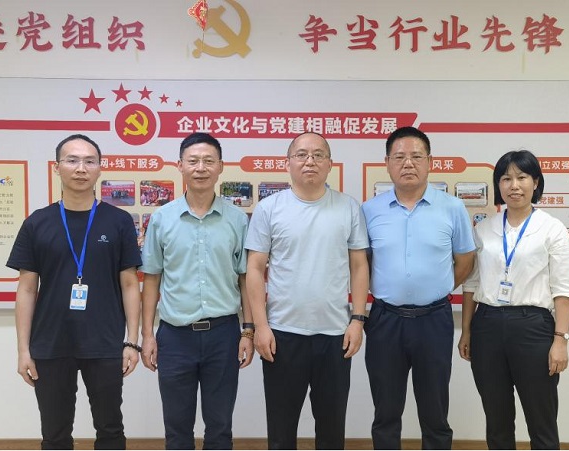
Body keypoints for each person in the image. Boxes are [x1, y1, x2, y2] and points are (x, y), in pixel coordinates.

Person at [8, 134, 142, 450]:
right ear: (57, 167)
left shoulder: (119, 221)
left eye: (89, 161)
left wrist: (132, 341)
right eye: (72, 160)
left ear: (99, 168)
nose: (81, 168)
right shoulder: (37, 222)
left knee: (110, 429)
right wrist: (23, 350)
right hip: (50, 343)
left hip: (105, 342)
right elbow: (26, 289)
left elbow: (129, 284)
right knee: (55, 433)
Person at [245, 132, 369, 450]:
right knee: (281, 429)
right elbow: (255, 269)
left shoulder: (348, 207)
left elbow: (359, 266)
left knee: (331, 429)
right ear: (287, 163)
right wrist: (260, 326)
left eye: (318, 154)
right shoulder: (269, 209)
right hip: (282, 334)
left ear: (330, 164)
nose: (310, 161)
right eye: (301, 154)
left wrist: (357, 320)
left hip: (335, 335)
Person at [362, 126, 475, 450]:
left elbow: (465, 261)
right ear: (387, 163)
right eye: (399, 157)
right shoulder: (369, 210)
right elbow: (362, 264)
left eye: (416, 156)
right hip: (384, 320)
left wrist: (438, 286)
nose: (408, 163)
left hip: (433, 320)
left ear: (430, 162)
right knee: (386, 411)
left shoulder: (452, 208)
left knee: (435, 411)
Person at [139, 132, 254, 450]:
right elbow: (152, 279)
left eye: (208, 161)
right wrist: (147, 335)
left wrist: (248, 331)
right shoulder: (161, 219)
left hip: (223, 335)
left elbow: (246, 279)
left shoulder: (237, 220)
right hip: (175, 337)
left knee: (220, 426)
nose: (200, 168)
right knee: (177, 427)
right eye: (193, 161)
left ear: (221, 167)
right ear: (180, 166)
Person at [459, 149, 569, 450]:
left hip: (533, 327)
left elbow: (564, 289)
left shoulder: (551, 228)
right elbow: (471, 284)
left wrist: (561, 340)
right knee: (496, 417)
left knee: (541, 418)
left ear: (535, 183)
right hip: (487, 326)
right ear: (498, 185)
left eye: (522, 177)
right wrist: (467, 331)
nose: (514, 185)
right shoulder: (484, 229)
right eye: (506, 178)